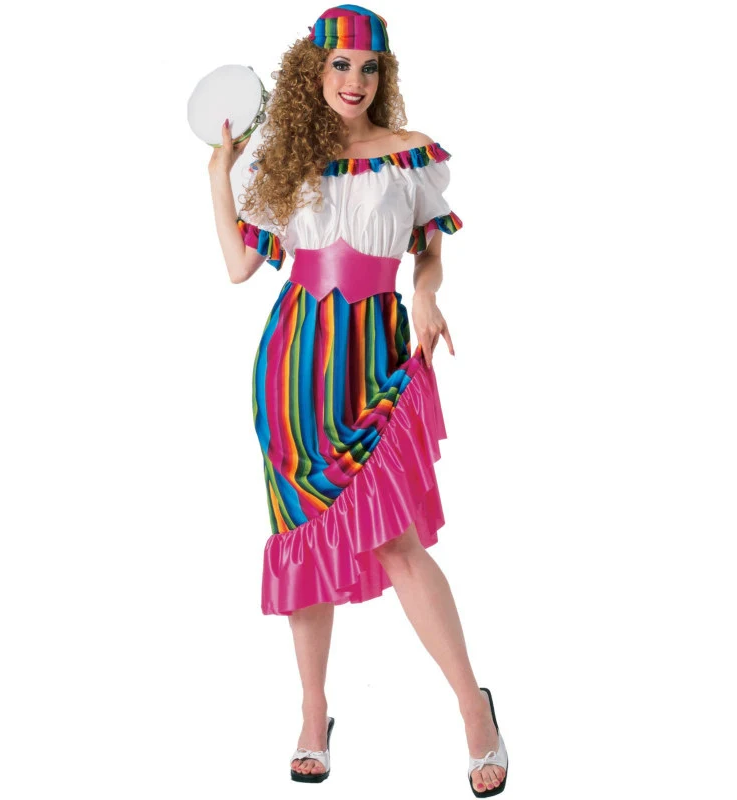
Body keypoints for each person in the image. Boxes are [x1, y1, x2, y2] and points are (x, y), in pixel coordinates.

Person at [206, 5, 508, 795]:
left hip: (373, 358)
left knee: (398, 542)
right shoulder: (284, 160)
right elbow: (240, 268)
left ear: (383, 74)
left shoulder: (409, 154)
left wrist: (427, 294)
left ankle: (474, 709)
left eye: (368, 68)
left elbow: (429, 249)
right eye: (340, 65)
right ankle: (314, 714)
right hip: (292, 367)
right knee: (302, 539)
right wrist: (216, 176)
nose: (354, 81)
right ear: (313, 71)